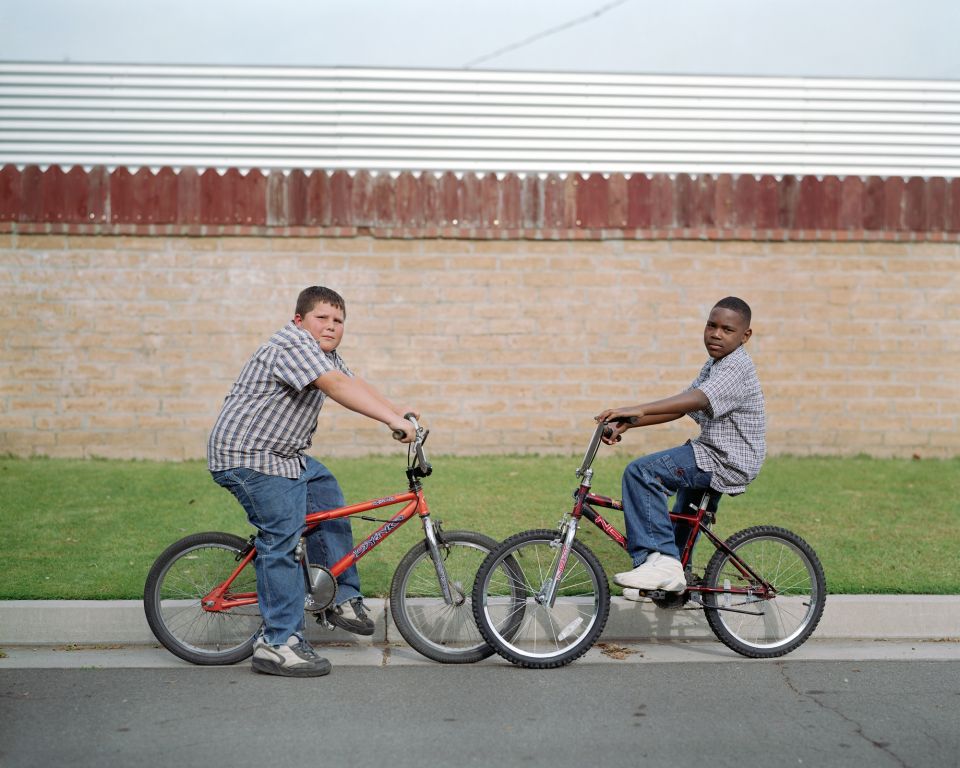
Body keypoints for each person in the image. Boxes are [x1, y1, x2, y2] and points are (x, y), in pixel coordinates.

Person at [207, 286, 418, 677]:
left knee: (327, 495)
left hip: (284, 456)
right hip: (249, 457)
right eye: (322, 318)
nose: (332, 326)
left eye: (339, 321)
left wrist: (398, 409)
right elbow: (336, 387)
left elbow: (352, 383)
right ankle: (277, 643)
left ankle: (338, 595)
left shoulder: (325, 355)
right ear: (299, 320)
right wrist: (390, 421)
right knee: (282, 540)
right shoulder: (292, 345)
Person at [595, 296, 765, 596]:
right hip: (715, 453)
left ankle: (662, 563)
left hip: (725, 459)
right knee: (682, 518)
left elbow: (699, 400)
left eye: (727, 329)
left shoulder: (736, 368)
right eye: (711, 326)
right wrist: (630, 422)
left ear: (745, 335)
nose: (716, 334)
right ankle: (675, 580)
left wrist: (639, 407)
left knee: (642, 472)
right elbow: (683, 406)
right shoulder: (716, 364)